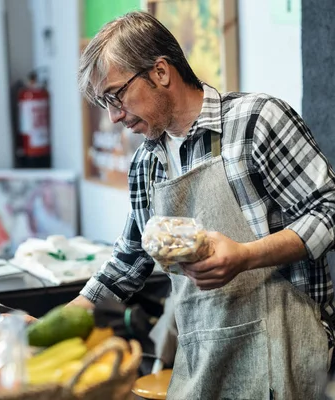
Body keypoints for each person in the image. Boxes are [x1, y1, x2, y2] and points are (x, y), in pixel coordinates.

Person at [73, 11, 335, 399]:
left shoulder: (256, 121)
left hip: (287, 355)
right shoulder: (148, 163)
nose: (113, 116)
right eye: (104, 103)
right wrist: (65, 316)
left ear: (161, 72)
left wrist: (246, 256)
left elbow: (328, 210)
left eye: (116, 95)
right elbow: (129, 260)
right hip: (205, 363)